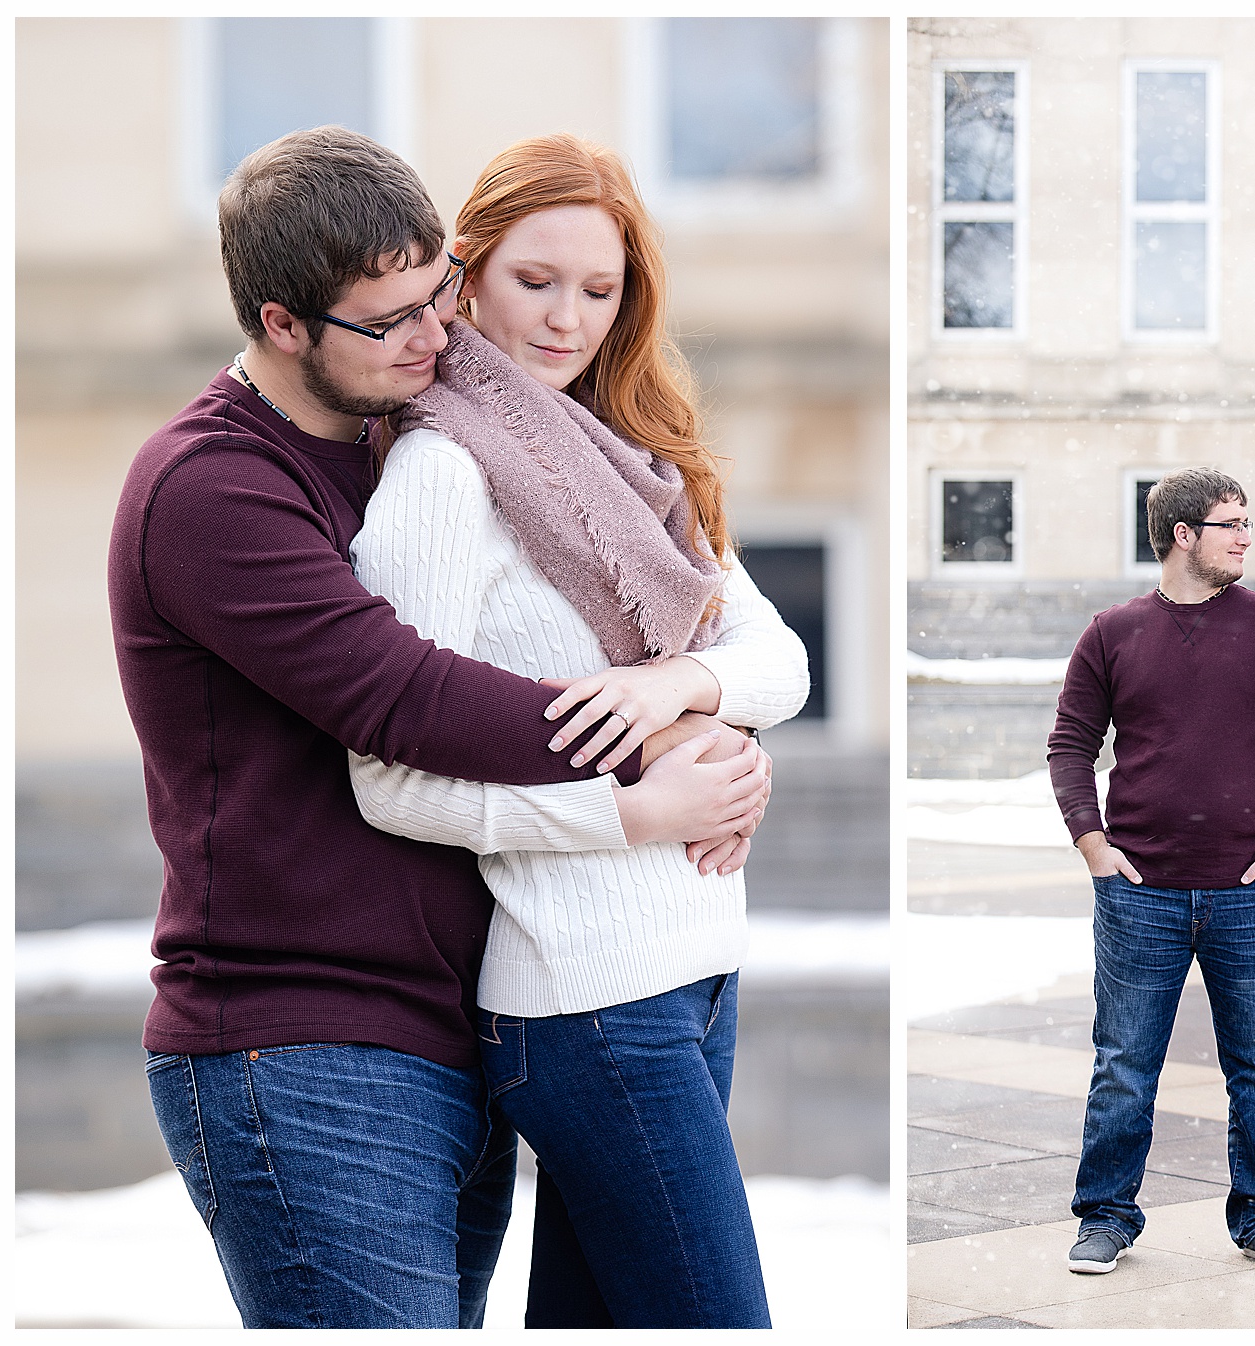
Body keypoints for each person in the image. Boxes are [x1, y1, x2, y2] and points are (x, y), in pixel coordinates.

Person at [107, 126, 769, 1330]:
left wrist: (705, 708)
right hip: (298, 1046)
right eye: (391, 318)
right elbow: (403, 699)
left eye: (440, 296)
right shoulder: (210, 489)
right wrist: (658, 751)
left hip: (456, 1027)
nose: (436, 336)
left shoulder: (417, 437)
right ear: (283, 321)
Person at [346, 134, 809, 1329]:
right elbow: (392, 781)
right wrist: (635, 808)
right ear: (468, 274)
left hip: (702, 971)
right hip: (587, 1004)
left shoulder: (633, 464)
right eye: (533, 281)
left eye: (597, 291)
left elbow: (778, 660)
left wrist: (675, 690)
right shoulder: (444, 477)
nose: (566, 319)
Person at [1047, 467, 1255, 1276]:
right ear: (1183, 535)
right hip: (1141, 893)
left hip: (1253, 890)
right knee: (1125, 1068)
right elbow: (1071, 746)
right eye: (1230, 523)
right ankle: (1104, 1217)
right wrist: (1092, 844)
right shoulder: (1112, 632)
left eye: (1247, 522)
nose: (1247, 537)